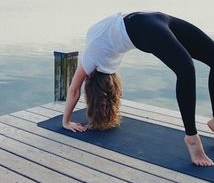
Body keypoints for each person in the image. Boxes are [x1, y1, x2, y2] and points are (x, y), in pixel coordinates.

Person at [62, 11, 214, 167]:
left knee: (191, 67)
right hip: (151, 19)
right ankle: (192, 138)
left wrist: (66, 121)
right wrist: (66, 121)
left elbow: (74, 89)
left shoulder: (91, 59)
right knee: (186, 69)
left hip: (146, 25)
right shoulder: (97, 51)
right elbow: (74, 89)